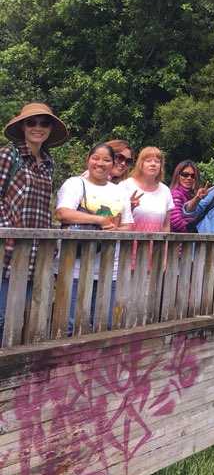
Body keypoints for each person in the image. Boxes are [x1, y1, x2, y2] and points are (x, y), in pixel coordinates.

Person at [0, 102, 68, 340]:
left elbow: (44, 207)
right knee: (2, 314)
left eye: (44, 123)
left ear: (50, 129)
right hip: (7, 248)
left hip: (37, 250)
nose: (37, 127)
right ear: (22, 126)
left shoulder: (49, 163)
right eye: (32, 122)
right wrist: (8, 228)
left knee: (18, 314)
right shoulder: (9, 154)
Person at [55, 143, 134, 332]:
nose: (100, 163)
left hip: (109, 267)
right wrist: (99, 220)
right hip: (75, 265)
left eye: (106, 160)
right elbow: (63, 213)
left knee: (105, 323)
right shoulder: (75, 183)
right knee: (71, 325)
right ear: (88, 160)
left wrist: (113, 231)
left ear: (112, 164)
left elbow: (128, 226)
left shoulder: (119, 191)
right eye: (95, 158)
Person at [124, 146, 174, 231]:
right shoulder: (126, 185)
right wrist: (129, 207)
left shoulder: (165, 190)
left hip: (156, 244)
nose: (153, 164)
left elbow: (166, 225)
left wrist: (165, 243)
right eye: (148, 161)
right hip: (128, 243)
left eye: (157, 161)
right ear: (141, 164)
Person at [169, 159, 201, 233]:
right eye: (185, 174)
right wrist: (195, 232)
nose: (189, 178)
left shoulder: (192, 195)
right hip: (176, 241)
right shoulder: (175, 194)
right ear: (178, 175)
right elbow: (176, 222)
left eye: (192, 176)